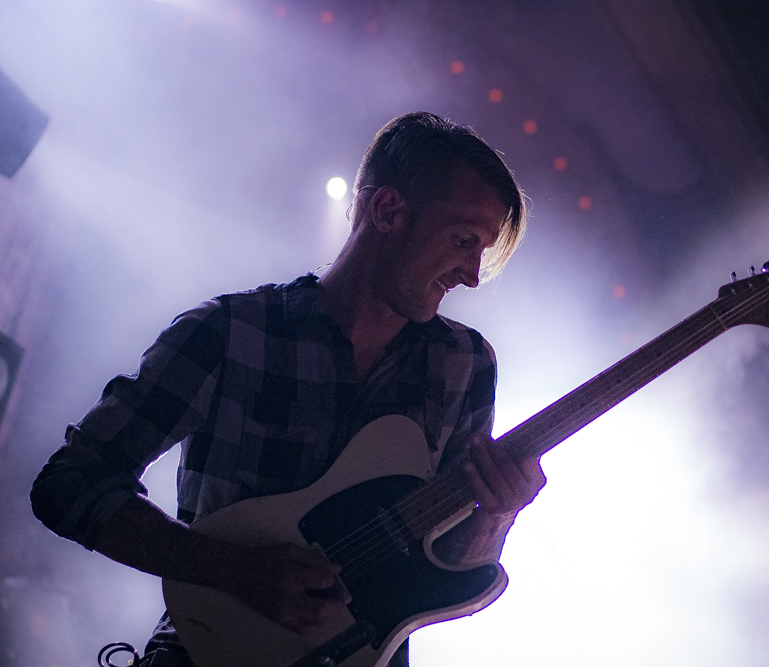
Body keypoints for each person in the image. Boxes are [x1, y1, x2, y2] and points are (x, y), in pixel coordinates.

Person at [30, 112, 546, 667]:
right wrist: (233, 570)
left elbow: (448, 564)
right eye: (463, 240)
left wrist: (496, 515)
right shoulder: (230, 332)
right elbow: (68, 482)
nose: (471, 274)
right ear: (388, 210)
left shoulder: (466, 365)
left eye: (481, 252)